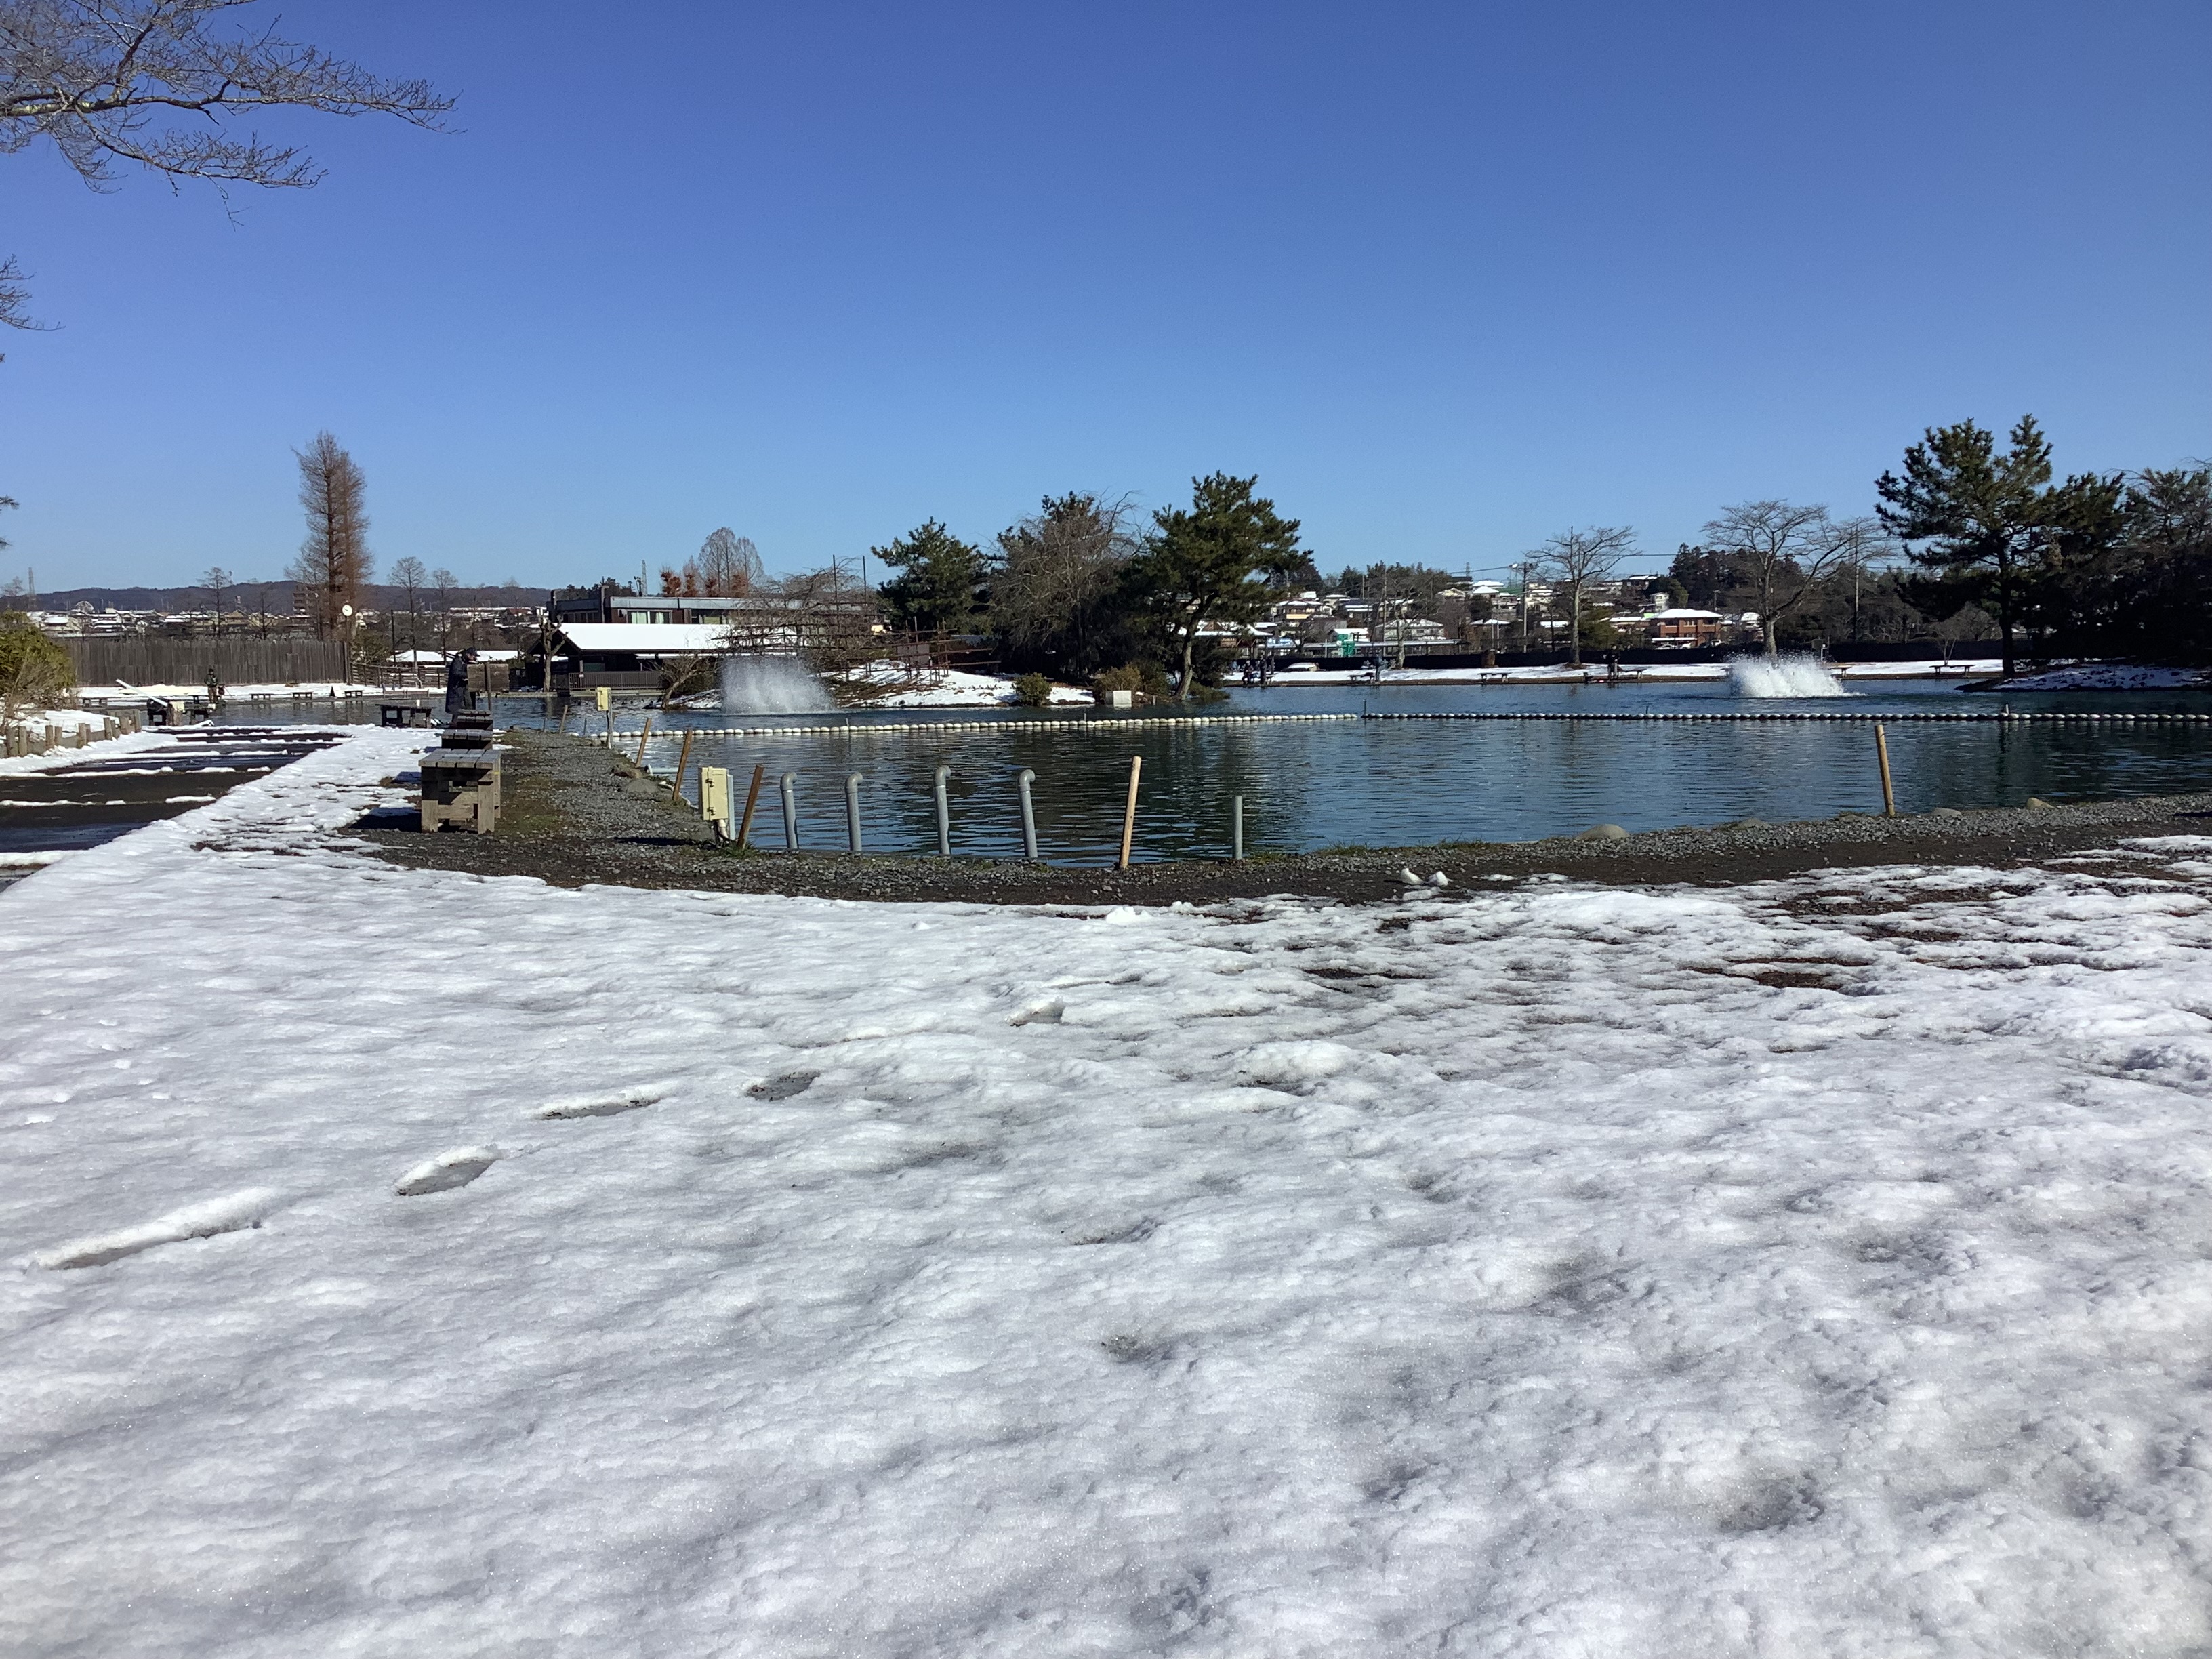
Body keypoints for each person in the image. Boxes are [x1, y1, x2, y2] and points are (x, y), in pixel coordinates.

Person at [443, 649, 476, 718]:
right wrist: (468, 674)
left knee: (467, 705)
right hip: (456, 687)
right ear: (468, 655)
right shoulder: (458, 661)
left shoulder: (465, 661)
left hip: (463, 688)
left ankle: (467, 720)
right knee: (456, 707)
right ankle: (456, 722)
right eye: (473, 656)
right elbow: (455, 672)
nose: (474, 658)